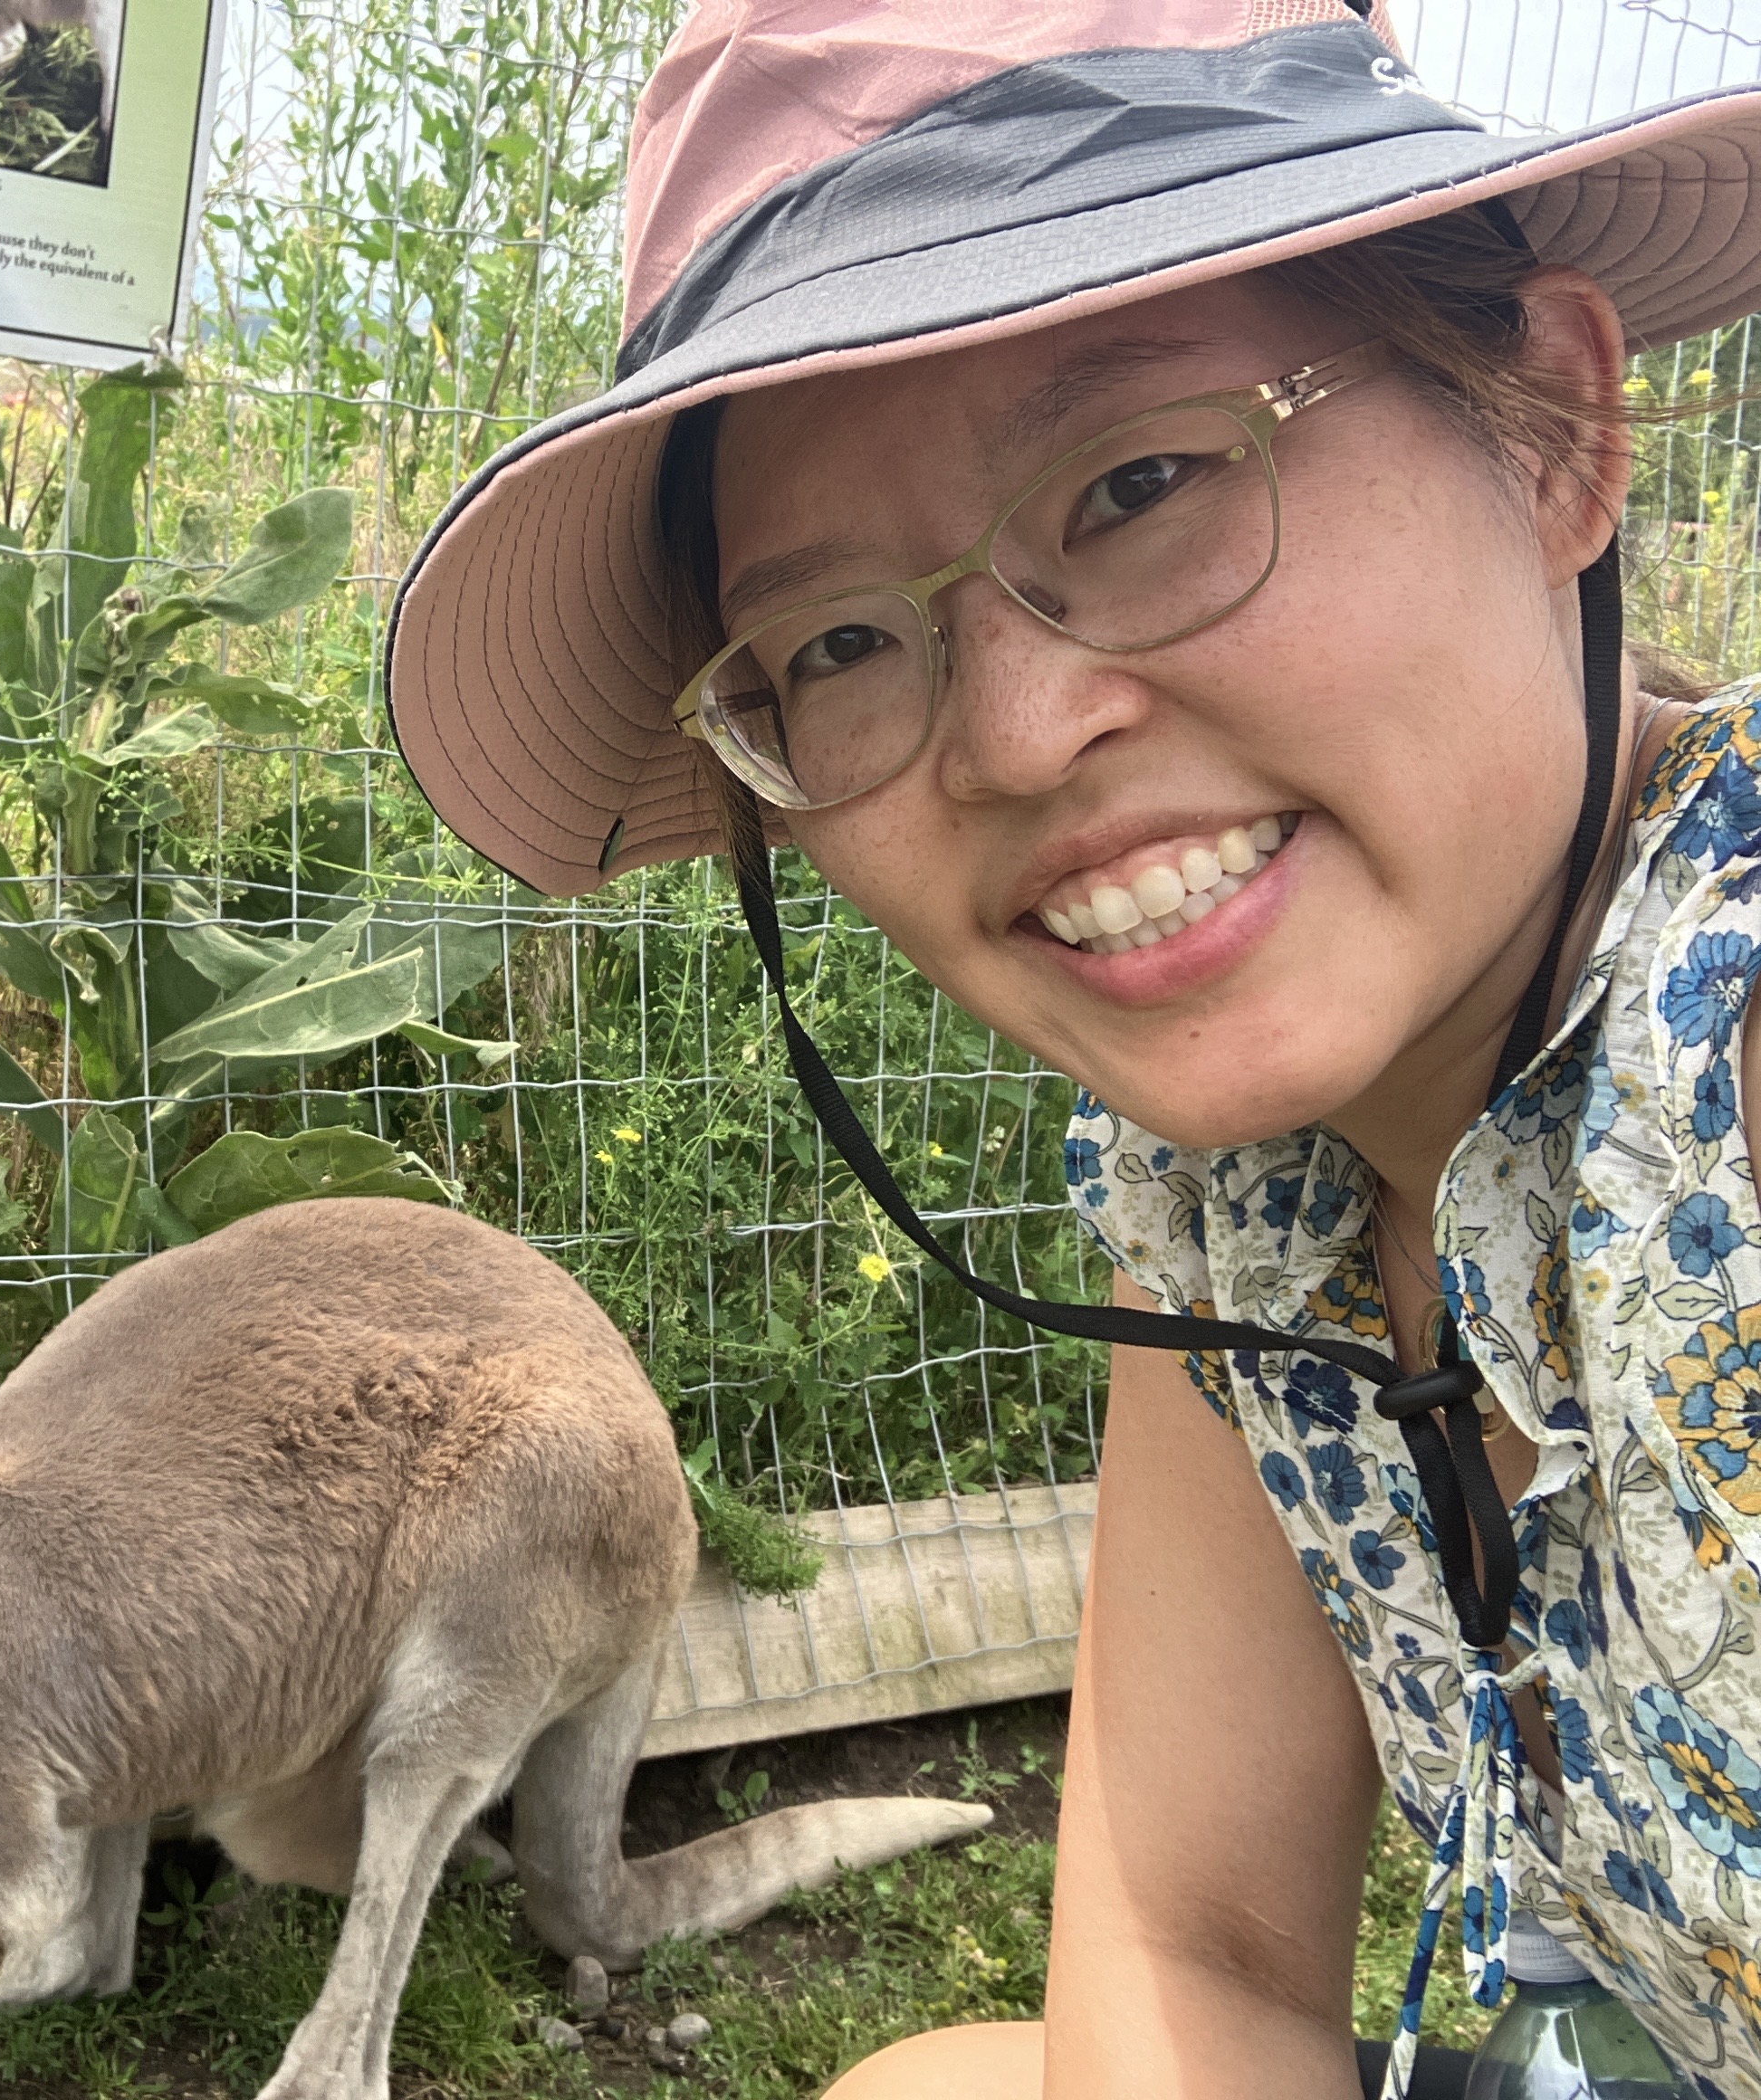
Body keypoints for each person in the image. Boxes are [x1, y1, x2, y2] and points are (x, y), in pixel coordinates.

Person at [383, 2, 1761, 2095]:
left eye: (1136, 482)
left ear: (1554, 427)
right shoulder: (1240, 1203)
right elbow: (1189, 1939)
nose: (1016, 735)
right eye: (839, 641)